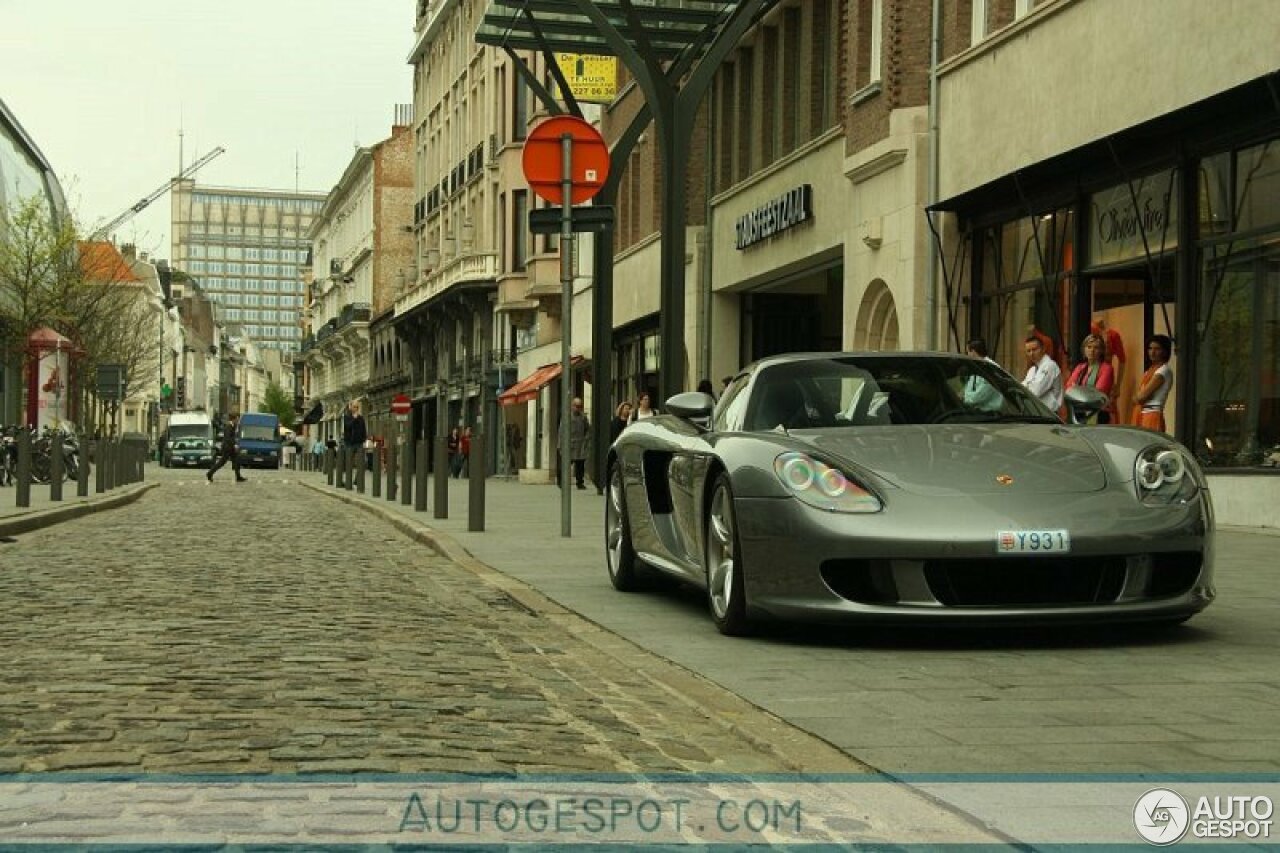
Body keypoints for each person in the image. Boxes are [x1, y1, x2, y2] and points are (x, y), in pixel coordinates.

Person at [1066, 333, 1116, 424]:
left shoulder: (1106, 368)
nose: (1092, 350)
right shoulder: (1080, 367)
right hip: (1079, 413)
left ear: (1101, 351)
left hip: (1099, 413)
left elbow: (1098, 392)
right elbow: (1069, 388)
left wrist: (1077, 388)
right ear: (1084, 349)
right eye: (1089, 347)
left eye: (1096, 348)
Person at [1133, 334, 1174, 433]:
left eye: (1157, 349)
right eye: (1150, 348)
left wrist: (1138, 397)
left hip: (1152, 414)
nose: (1152, 352)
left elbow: (1141, 396)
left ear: (1165, 351)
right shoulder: (1149, 371)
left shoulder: (1163, 371)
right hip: (1143, 413)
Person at [1022, 334, 1063, 413]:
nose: (1031, 353)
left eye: (1034, 349)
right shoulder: (1032, 370)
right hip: (1035, 413)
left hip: (1049, 414)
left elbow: (1036, 391)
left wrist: (1028, 385)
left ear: (1043, 349)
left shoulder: (1050, 365)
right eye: (1028, 351)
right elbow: (1021, 388)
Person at [557, 397, 591, 489]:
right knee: (565, 464)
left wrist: (586, 439)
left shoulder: (583, 417)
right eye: (576, 406)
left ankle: (580, 482)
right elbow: (561, 431)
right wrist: (560, 445)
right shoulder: (566, 416)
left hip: (580, 444)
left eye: (580, 406)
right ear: (572, 406)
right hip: (569, 443)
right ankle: (561, 482)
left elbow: (588, 429)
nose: (578, 408)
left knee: (580, 465)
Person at [962, 338, 1004, 412]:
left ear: (973, 352)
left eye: (968, 352)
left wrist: (965, 399)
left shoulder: (990, 367)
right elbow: (969, 387)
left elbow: (981, 394)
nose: (967, 355)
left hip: (991, 414)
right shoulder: (977, 366)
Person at [206, 412, 245, 483]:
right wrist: (234, 445)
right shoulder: (228, 426)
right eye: (237, 419)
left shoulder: (233, 425)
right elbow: (228, 438)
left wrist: (234, 444)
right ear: (234, 419)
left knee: (237, 460)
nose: (238, 420)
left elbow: (232, 437)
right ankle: (210, 473)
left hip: (230, 447)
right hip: (227, 448)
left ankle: (238, 476)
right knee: (221, 462)